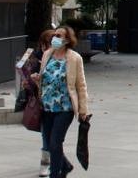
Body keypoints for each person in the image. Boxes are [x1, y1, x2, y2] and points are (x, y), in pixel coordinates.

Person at [31, 26, 88, 178]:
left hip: (65, 108)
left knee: (55, 143)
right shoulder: (47, 54)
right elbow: (45, 79)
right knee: (50, 144)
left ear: (67, 40)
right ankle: (66, 166)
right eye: (54, 35)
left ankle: (54, 175)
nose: (54, 37)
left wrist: (83, 110)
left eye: (59, 35)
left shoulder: (74, 58)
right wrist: (37, 79)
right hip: (46, 107)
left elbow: (81, 85)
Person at [22, 29, 56, 177]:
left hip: (58, 104)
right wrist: (29, 83)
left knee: (55, 137)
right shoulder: (36, 60)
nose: (46, 48)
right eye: (45, 44)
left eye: (49, 45)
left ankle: (59, 161)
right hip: (42, 104)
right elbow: (30, 82)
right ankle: (46, 163)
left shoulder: (60, 60)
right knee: (46, 135)